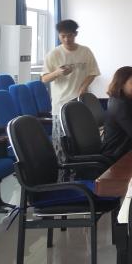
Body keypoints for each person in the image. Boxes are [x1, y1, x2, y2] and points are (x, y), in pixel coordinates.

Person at [41, 19, 100, 164]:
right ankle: (62, 173)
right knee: (61, 144)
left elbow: (93, 72)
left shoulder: (85, 51)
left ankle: (81, 170)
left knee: (82, 140)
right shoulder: (54, 54)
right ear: (59, 35)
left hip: (80, 103)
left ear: (75, 34)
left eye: (70, 35)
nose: (67, 39)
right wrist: (58, 73)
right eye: (63, 36)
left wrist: (83, 87)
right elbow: (44, 78)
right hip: (60, 104)